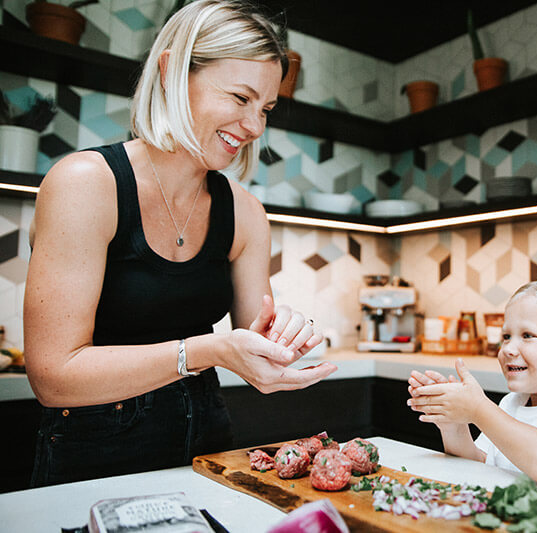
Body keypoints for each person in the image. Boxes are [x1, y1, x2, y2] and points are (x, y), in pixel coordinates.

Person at [23, 0, 337, 487]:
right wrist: (207, 350)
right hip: (91, 454)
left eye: (266, 108)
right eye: (239, 97)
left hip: (207, 441)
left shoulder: (246, 213)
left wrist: (286, 336)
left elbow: (255, 342)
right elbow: (52, 376)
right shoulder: (85, 183)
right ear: (172, 72)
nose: (255, 127)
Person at [407, 277, 537, 491]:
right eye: (507, 336)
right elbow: (477, 466)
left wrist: (478, 409)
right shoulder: (513, 402)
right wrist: (454, 426)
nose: (508, 349)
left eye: (528, 335)